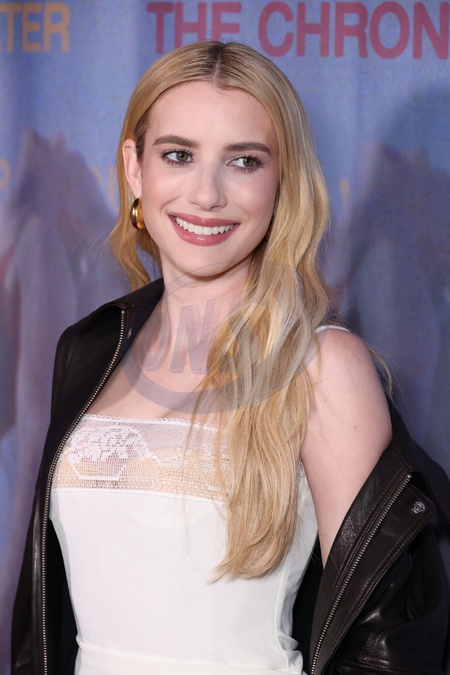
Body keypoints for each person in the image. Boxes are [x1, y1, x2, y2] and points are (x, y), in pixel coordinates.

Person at [11, 41, 450, 675]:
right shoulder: (90, 347)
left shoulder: (322, 366)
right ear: (135, 167)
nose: (206, 194)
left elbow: (384, 639)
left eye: (244, 161)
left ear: (281, 181)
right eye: (179, 155)